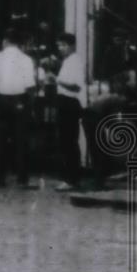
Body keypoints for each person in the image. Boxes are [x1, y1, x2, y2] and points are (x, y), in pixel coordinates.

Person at [0, 27, 37, 188]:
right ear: (20, 43)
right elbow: (30, 85)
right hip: (20, 101)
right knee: (21, 140)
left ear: (4, 41)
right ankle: (22, 178)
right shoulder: (27, 59)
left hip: (0, 100)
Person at [53, 32, 86, 192]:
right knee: (65, 141)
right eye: (59, 45)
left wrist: (56, 80)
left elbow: (77, 86)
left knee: (69, 141)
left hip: (70, 103)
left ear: (72, 46)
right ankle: (69, 177)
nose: (61, 48)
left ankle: (72, 179)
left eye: (63, 45)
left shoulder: (75, 62)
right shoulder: (67, 61)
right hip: (64, 102)